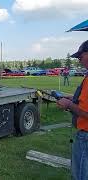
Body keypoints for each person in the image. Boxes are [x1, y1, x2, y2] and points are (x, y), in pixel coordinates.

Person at [57, 40, 88, 180]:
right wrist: (71, 98)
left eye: (81, 56)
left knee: (80, 174)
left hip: (86, 136)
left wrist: (68, 105)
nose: (79, 60)